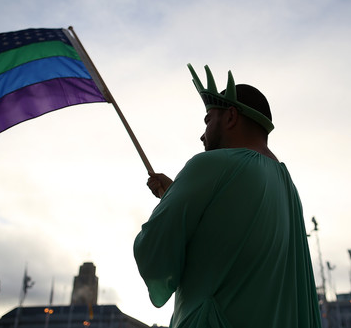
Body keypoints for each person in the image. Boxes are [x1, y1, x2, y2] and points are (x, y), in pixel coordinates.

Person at [133, 64, 322, 328]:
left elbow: (154, 253)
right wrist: (176, 195)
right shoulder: (288, 189)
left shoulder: (209, 165)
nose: (202, 134)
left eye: (209, 120)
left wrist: (173, 202)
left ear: (231, 117)